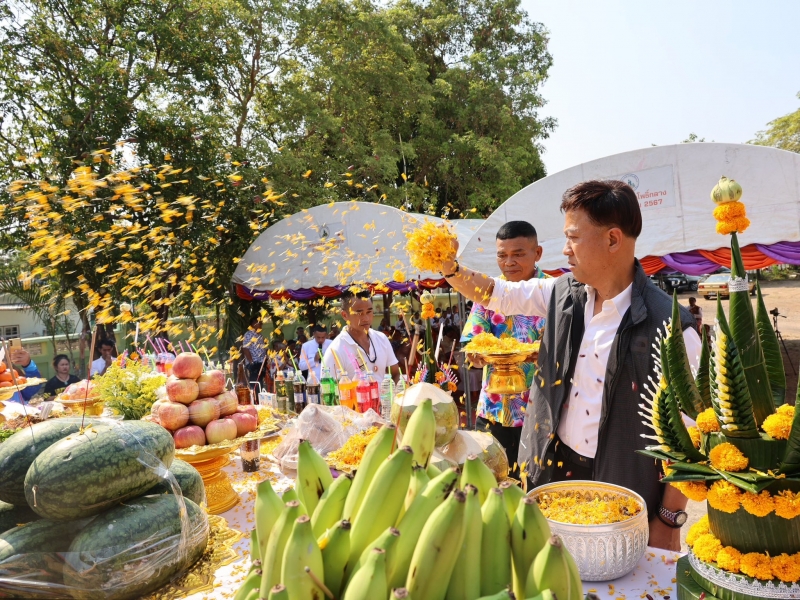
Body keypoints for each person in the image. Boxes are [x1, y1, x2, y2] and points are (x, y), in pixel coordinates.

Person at [439, 180, 701, 551]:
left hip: (624, 489)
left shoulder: (671, 327)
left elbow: (692, 437)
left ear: (613, 239)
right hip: (556, 472)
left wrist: (669, 519)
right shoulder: (562, 293)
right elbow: (497, 294)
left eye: (573, 237)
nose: (565, 249)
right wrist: (449, 268)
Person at [461, 221, 548, 477]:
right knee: (492, 481)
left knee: (535, 483)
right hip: (495, 409)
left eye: (518, 254)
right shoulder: (488, 292)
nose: (509, 262)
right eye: (502, 255)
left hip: (542, 411)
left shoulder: (555, 292)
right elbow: (473, 343)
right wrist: (476, 355)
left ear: (537, 253)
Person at [323, 290, 401, 383]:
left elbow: (396, 374)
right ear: (345, 315)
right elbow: (328, 389)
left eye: (369, 312)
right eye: (359, 313)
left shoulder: (382, 338)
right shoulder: (335, 350)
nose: (366, 318)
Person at [242, 316, 267, 382]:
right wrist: (251, 362)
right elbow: (245, 349)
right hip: (254, 362)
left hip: (261, 362)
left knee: (260, 382)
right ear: (254, 324)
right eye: (260, 323)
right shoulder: (248, 334)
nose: (261, 325)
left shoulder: (260, 335)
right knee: (255, 382)